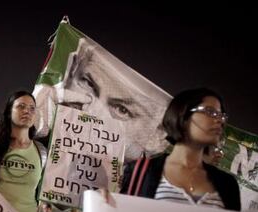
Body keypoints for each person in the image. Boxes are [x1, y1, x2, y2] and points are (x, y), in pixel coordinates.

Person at [33, 37, 171, 161]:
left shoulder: (150, 180)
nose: (90, 112)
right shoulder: (36, 148)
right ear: (71, 70)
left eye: (122, 110)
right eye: (88, 83)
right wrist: (30, 125)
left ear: (156, 137)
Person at [120, 87, 241, 211]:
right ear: (183, 115)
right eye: (210, 112)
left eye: (222, 115)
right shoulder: (141, 171)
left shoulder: (227, 184)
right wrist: (104, 204)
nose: (219, 120)